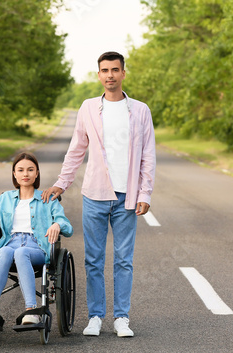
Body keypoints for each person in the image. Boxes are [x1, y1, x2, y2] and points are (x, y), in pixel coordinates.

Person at [41, 51, 156, 337]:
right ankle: (95, 316)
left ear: (123, 73)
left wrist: (145, 192)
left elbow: (148, 156)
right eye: (105, 70)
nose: (110, 75)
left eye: (115, 70)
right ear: (98, 75)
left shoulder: (140, 110)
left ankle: (121, 318)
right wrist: (61, 183)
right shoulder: (89, 108)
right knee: (93, 259)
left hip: (126, 197)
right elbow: (76, 150)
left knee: (123, 259)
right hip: (94, 194)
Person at [0, 152, 73, 326]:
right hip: (10, 242)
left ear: (37, 173)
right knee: (4, 251)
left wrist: (57, 225)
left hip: (37, 247)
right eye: (20, 170)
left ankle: (32, 311)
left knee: (21, 252)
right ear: (14, 174)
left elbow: (67, 226)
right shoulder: (5, 198)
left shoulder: (48, 198)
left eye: (30, 170)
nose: (25, 174)